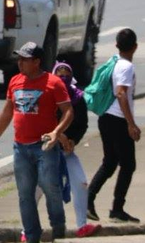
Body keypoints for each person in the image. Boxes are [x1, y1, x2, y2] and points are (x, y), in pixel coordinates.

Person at [0, 43, 73, 243]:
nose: (20, 63)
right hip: (21, 147)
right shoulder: (15, 81)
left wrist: (56, 132)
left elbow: (68, 111)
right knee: (25, 194)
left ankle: (58, 228)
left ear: (36, 62)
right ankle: (32, 235)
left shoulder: (53, 83)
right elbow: (7, 112)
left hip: (44, 146)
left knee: (51, 188)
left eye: (25, 59)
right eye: (19, 58)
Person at [87, 28, 140, 223]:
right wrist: (131, 124)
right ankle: (117, 209)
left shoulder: (115, 62)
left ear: (117, 45)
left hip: (106, 118)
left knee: (110, 163)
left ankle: (89, 199)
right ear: (135, 47)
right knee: (128, 164)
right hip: (118, 120)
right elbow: (120, 93)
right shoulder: (126, 66)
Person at [54, 62, 101, 238]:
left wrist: (73, 140)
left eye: (66, 73)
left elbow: (82, 124)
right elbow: (44, 120)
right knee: (38, 189)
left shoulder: (78, 98)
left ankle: (82, 225)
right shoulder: (48, 95)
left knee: (81, 184)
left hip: (67, 152)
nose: (63, 77)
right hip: (49, 153)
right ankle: (26, 230)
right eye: (59, 73)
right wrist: (59, 135)